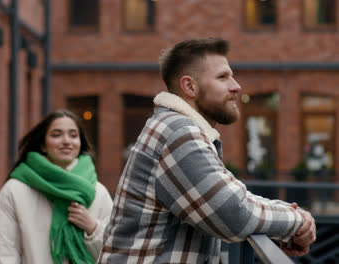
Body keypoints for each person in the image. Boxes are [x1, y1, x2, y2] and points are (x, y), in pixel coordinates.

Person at [98, 38, 316, 263]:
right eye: (223, 77)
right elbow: (232, 214)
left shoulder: (174, 126)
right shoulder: (178, 133)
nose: (236, 86)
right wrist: (297, 221)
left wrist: (288, 213)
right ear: (190, 87)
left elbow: (230, 195)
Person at [0, 109, 113, 264]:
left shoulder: (98, 192)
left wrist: (93, 228)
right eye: (56, 134)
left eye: (73, 135)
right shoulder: (14, 191)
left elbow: (116, 251)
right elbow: (4, 252)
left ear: (80, 143)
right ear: (43, 144)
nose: (67, 141)